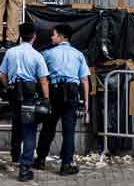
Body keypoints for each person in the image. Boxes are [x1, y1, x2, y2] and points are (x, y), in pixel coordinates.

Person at [33, 24, 90, 176]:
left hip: (54, 91)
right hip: (71, 93)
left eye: (53, 35)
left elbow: (40, 74)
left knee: (48, 127)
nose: (51, 37)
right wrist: (86, 103)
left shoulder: (47, 54)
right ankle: (66, 164)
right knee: (68, 131)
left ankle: (40, 160)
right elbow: (84, 80)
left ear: (61, 37)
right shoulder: (78, 55)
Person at [0, 22, 50, 182]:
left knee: (17, 123)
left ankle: (15, 154)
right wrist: (47, 100)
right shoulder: (37, 55)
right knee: (29, 130)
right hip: (29, 95)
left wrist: (8, 87)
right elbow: (43, 81)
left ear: (20, 36)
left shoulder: (10, 52)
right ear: (34, 36)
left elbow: (2, 75)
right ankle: (25, 168)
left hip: (14, 93)